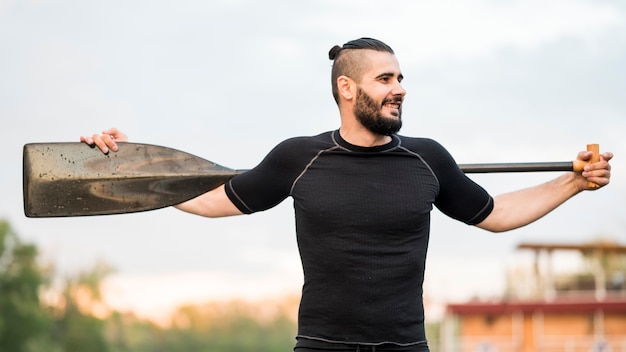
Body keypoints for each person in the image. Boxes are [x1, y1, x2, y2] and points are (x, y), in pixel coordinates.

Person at [81, 38, 613, 352]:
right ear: (347, 88)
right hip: (322, 347)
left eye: (401, 77)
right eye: (385, 78)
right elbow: (207, 200)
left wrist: (573, 181)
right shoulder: (298, 157)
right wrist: (126, 162)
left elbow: (496, 213)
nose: (399, 87)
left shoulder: (427, 159)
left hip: (406, 347)